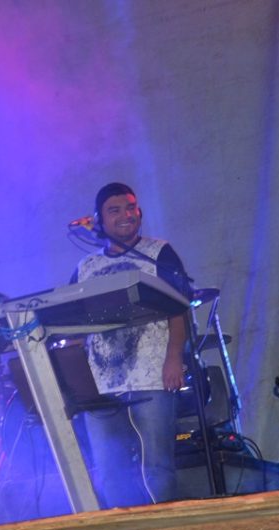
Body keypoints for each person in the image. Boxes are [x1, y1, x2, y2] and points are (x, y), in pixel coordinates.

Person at [72, 182, 192, 508]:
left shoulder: (158, 252)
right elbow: (73, 325)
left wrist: (173, 358)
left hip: (151, 376)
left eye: (130, 207)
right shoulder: (86, 268)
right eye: (115, 210)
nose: (126, 215)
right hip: (102, 386)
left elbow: (179, 307)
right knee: (110, 472)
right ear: (99, 220)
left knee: (157, 467)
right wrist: (78, 381)